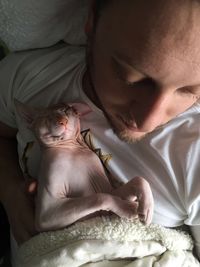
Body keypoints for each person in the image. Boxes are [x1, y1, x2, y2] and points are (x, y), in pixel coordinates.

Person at [0, 0, 200, 264]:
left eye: (190, 91)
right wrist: (9, 190)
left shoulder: (193, 150)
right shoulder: (27, 77)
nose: (147, 120)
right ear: (92, 22)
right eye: (131, 77)